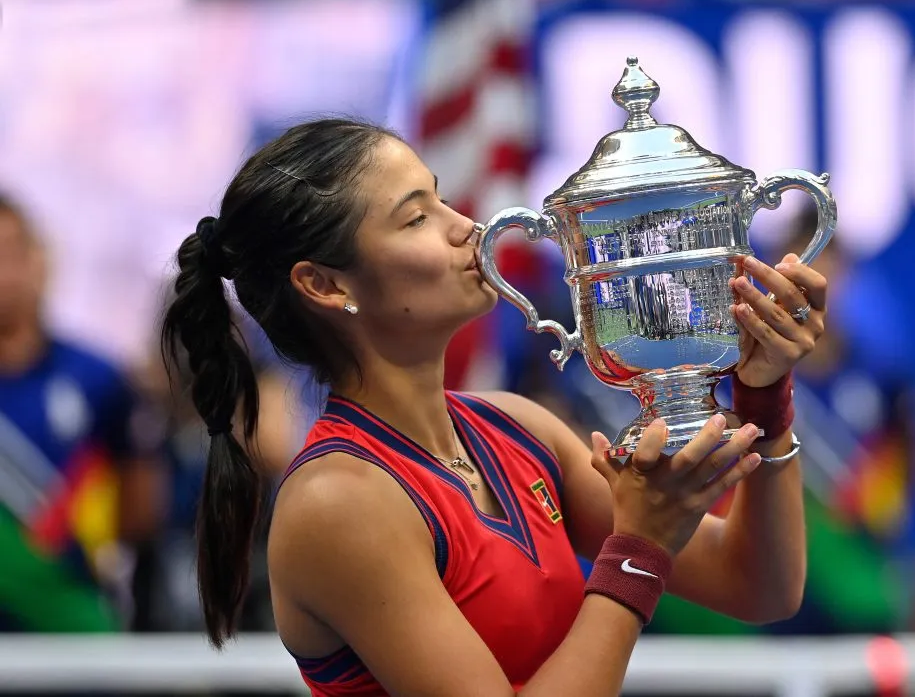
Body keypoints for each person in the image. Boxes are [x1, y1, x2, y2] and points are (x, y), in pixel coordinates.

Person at [161, 118, 828, 696]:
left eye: (444, 199)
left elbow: (759, 586)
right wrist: (639, 549)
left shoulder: (516, 428)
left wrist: (763, 395)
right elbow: (644, 562)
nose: (468, 228)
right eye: (418, 216)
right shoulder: (339, 501)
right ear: (325, 285)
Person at [0, 193, 163, 632]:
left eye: (11, 252)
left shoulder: (99, 378)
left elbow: (140, 507)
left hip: (74, 626)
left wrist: (83, 537)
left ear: (39, 261)